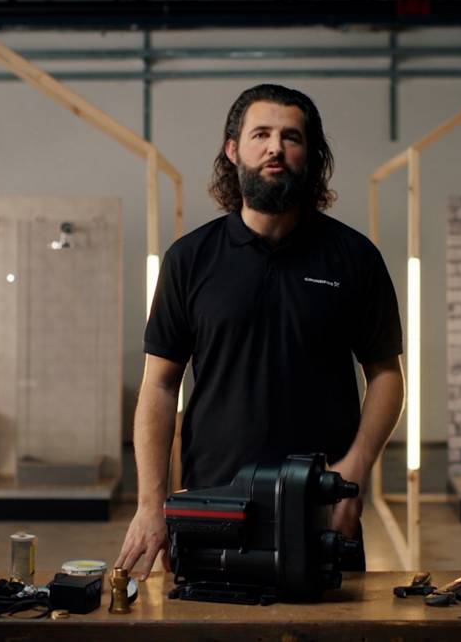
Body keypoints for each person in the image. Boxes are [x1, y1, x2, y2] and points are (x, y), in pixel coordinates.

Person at [115, 83, 405, 579]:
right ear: (233, 150)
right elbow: (160, 385)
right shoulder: (189, 260)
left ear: (310, 155)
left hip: (321, 505)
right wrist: (149, 503)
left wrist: (355, 468)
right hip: (215, 505)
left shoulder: (354, 258)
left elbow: (386, 376)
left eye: (291, 137)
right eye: (261, 134)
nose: (276, 147)